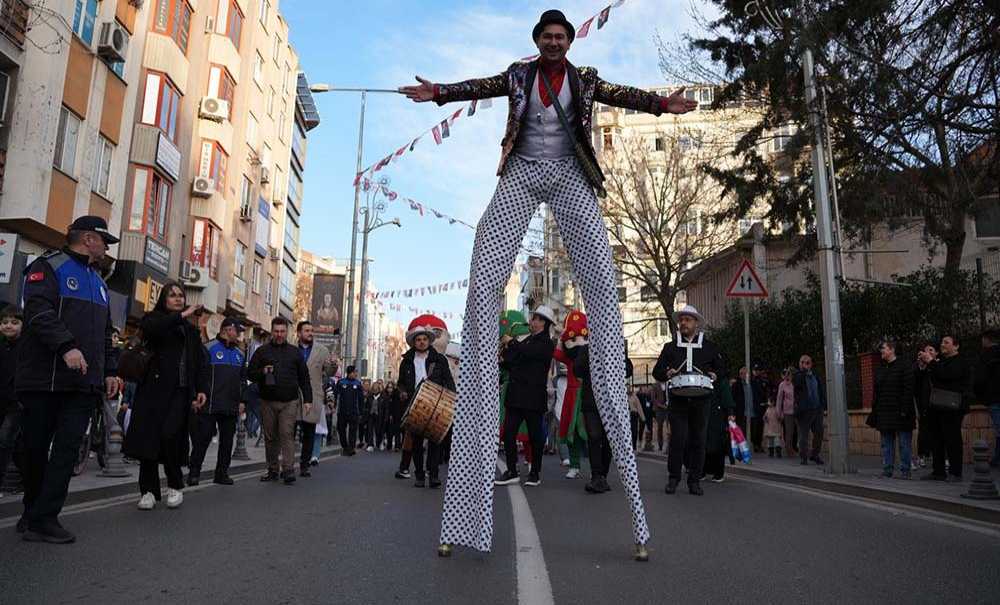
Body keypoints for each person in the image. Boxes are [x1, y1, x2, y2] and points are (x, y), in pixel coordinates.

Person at [406, 9, 698, 554]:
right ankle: (464, 512)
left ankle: (632, 504)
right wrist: (439, 92)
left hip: (570, 174)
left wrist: (665, 104)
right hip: (521, 172)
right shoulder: (519, 75)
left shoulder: (585, 80)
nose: (557, 43)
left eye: (563, 36)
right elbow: (482, 87)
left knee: (604, 294)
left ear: (568, 42)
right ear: (538, 42)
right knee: (482, 278)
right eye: (548, 37)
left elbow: (627, 95)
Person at [16, 216, 120, 542]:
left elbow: (106, 334)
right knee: (32, 449)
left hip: (82, 386)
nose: (106, 248)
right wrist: (66, 346)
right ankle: (32, 511)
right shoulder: (48, 266)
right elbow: (37, 311)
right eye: (105, 241)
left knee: (66, 452)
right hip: (44, 380)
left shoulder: (99, 282)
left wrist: (111, 370)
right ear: (88, 238)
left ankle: (45, 518)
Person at [123, 282, 209, 511]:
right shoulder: (153, 319)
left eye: (181, 295)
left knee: (171, 437)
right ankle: (148, 491)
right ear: (163, 299)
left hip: (179, 393)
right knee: (148, 441)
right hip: (152, 390)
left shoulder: (190, 330)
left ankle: (174, 485)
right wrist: (181, 316)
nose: (178, 299)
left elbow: (199, 361)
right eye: (172, 295)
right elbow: (155, 330)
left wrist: (201, 389)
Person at [652, 305, 725, 496]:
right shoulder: (670, 347)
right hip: (678, 398)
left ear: (696, 323)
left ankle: (694, 480)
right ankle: (673, 478)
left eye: (688, 319)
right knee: (678, 439)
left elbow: (723, 370)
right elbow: (656, 371)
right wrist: (667, 372)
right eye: (681, 319)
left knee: (698, 440)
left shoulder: (709, 347)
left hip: (702, 399)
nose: (683, 323)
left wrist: (714, 374)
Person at [495, 306, 556, 488]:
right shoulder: (527, 341)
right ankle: (512, 470)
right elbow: (513, 361)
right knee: (509, 433)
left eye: (536, 319)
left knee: (534, 436)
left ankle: (535, 473)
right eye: (532, 318)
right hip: (516, 394)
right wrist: (503, 355)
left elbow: (529, 353)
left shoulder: (546, 343)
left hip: (533, 395)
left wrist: (512, 342)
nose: (532, 321)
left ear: (544, 323)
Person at [248, 317, 313, 485]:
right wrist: (262, 371)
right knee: (270, 437)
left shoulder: (294, 352)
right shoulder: (262, 351)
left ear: (287, 332)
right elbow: (249, 374)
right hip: (267, 401)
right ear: (271, 331)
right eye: (276, 331)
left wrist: (308, 400)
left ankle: (288, 470)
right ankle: (272, 469)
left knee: (286, 434)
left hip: (289, 402)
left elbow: (304, 378)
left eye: (282, 331)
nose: (279, 335)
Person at [395, 316, 456, 487]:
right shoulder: (406, 361)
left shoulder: (440, 360)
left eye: (424, 339)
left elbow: (448, 380)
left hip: (436, 404)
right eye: (418, 340)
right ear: (414, 342)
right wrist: (402, 392)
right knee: (416, 442)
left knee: (435, 441)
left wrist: (452, 399)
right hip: (415, 405)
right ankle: (420, 475)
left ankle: (434, 475)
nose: (421, 342)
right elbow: (400, 383)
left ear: (429, 341)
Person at [187, 317, 246, 486]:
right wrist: (195, 396)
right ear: (227, 330)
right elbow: (197, 375)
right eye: (238, 331)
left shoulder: (240, 354)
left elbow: (243, 380)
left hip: (230, 406)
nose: (239, 336)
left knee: (227, 442)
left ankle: (221, 474)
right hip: (209, 404)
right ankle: (194, 473)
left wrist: (243, 401)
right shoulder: (208, 348)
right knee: (202, 440)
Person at [918, 334, 970, 482]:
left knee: (952, 439)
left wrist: (931, 362)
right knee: (936, 439)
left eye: (946, 342)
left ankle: (955, 472)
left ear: (956, 345)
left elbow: (947, 375)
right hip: (937, 406)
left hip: (953, 407)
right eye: (942, 342)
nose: (942, 345)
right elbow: (933, 378)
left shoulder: (960, 361)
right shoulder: (941, 361)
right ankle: (938, 471)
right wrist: (924, 365)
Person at [871, 340, 916, 479]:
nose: (881, 351)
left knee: (904, 443)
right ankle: (887, 470)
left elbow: (909, 389)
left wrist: (904, 409)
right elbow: (877, 391)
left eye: (883, 348)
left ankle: (905, 470)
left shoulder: (904, 366)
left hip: (902, 411)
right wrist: (875, 409)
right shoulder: (880, 368)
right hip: (884, 411)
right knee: (886, 443)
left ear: (892, 349)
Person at [552, 310, 588, 479]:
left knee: (592, 432)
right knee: (572, 433)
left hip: (589, 396)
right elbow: (557, 354)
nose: (579, 343)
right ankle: (574, 464)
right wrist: (561, 338)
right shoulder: (570, 359)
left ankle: (598, 467)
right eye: (573, 339)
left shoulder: (592, 355)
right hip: (572, 397)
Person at [294, 321, 331, 477]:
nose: (310, 333)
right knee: (288, 431)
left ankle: (304, 465)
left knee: (309, 432)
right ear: (299, 333)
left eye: (311, 330)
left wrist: (333, 365)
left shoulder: (322, 350)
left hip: (313, 395)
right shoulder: (291, 349)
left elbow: (329, 371)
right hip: (292, 395)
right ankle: (287, 464)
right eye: (307, 330)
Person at [0, 305, 24, 494]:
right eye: (5, 322)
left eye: (14, 322)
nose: (9, 326)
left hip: (15, 402)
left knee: (4, 441)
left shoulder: (26, 347)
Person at [793, 355, 826, 465]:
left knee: (819, 432)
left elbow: (820, 389)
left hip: (817, 409)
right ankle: (804, 457)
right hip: (804, 410)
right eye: (802, 362)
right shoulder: (798, 376)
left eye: (807, 362)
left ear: (811, 364)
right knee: (803, 435)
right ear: (800, 364)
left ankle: (815, 455)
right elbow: (797, 384)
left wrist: (822, 404)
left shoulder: (815, 376)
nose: (805, 364)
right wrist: (803, 371)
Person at [702, 376, 736, 482]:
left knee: (717, 445)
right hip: (705, 415)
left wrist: (730, 413)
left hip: (717, 417)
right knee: (703, 444)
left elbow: (727, 398)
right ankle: (703, 471)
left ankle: (717, 473)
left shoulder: (721, 381)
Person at [974, 329, 1000, 467]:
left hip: (994, 398)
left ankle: (997, 458)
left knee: (999, 428)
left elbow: (979, 379)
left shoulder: (986, 356)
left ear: (987, 339)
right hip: (994, 396)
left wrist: (981, 395)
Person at [913, 342, 936, 469]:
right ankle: (922, 455)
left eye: (931, 350)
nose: (928, 353)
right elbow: (915, 386)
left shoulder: (939, 365)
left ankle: (943, 458)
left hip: (940, 404)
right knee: (923, 431)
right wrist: (920, 367)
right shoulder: (920, 368)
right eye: (926, 351)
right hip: (924, 405)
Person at [334, 366, 363, 456]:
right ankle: (345, 446)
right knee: (341, 429)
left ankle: (351, 448)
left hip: (354, 412)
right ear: (350, 373)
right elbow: (335, 395)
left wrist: (361, 412)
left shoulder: (358, 384)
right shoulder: (341, 382)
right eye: (355, 372)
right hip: (342, 411)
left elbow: (361, 399)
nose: (356, 374)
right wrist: (333, 406)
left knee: (353, 431)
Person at [775, 368, 797, 456]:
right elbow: (779, 399)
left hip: (797, 410)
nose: (788, 376)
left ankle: (794, 448)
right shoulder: (782, 385)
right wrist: (778, 412)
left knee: (797, 431)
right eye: (786, 374)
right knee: (789, 431)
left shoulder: (795, 384)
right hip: (787, 411)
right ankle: (789, 449)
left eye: (789, 374)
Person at [750, 365, 770, 452]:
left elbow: (765, 392)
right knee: (755, 426)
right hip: (754, 406)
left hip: (761, 406)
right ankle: (755, 444)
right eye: (755, 370)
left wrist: (765, 402)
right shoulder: (751, 381)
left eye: (758, 370)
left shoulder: (763, 381)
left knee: (760, 426)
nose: (756, 372)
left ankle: (759, 444)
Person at [651, 383, 668, 453]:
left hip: (668, 408)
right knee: (660, 428)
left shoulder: (668, 384)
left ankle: (669, 446)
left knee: (670, 427)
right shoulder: (655, 386)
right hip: (659, 409)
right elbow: (653, 399)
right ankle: (660, 445)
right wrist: (661, 405)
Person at [628, 387, 645, 451]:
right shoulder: (623, 396)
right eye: (626, 387)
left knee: (634, 431)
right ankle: (629, 446)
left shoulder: (634, 397)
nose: (628, 389)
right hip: (626, 416)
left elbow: (639, 407)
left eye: (629, 388)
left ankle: (634, 446)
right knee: (628, 432)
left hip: (633, 415)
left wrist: (642, 417)